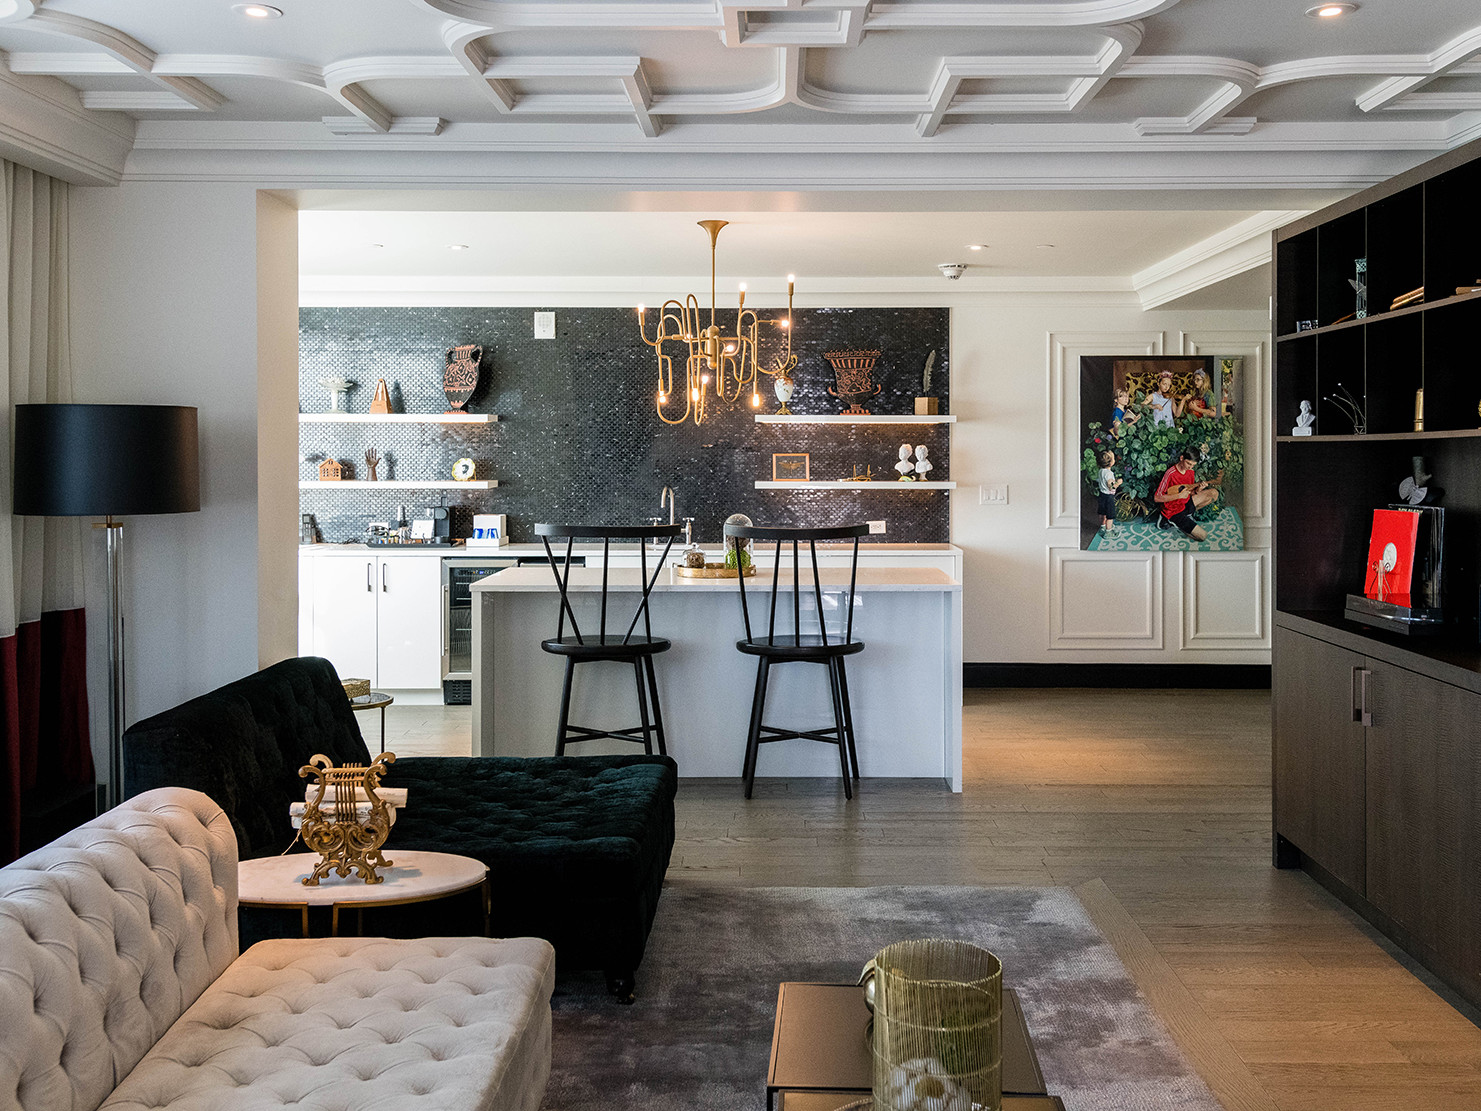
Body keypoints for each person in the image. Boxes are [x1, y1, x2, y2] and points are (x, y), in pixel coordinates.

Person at [1154, 448, 1218, 541]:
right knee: (1202, 536)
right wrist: (1179, 496)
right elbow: (1157, 497)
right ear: (1181, 458)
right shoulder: (1170, 473)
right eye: (1188, 463)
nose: (1190, 467)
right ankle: (1170, 521)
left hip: (1185, 504)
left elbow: (1189, 491)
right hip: (1173, 511)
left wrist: (1198, 489)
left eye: (1193, 465)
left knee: (1214, 494)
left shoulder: (1191, 472)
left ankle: (1188, 516)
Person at [1096, 449, 1121, 534]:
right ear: (1110, 463)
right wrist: (1118, 482)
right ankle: (1108, 531)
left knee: (1102, 512)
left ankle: (1102, 526)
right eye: (1113, 458)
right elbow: (1112, 487)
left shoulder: (1101, 471)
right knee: (1110, 515)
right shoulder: (1109, 474)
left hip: (1102, 495)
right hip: (1108, 497)